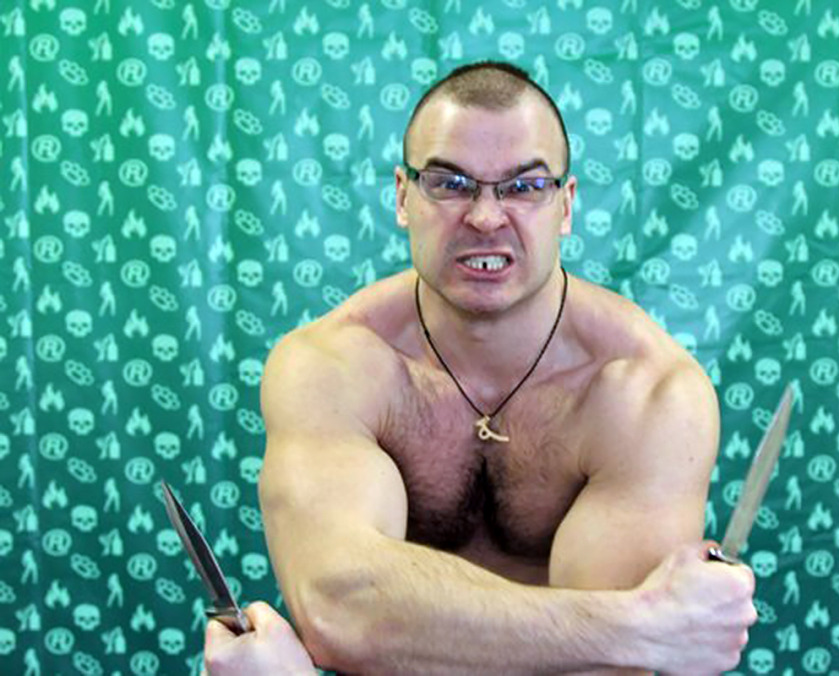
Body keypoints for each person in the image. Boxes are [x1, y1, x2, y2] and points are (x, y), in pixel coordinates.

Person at [204, 61, 757, 674]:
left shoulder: (647, 392)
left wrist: (387, 618)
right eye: (450, 183)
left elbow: (602, 671)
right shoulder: (332, 366)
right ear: (403, 197)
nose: (486, 218)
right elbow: (340, 609)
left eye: (525, 187)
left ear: (566, 206)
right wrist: (647, 626)